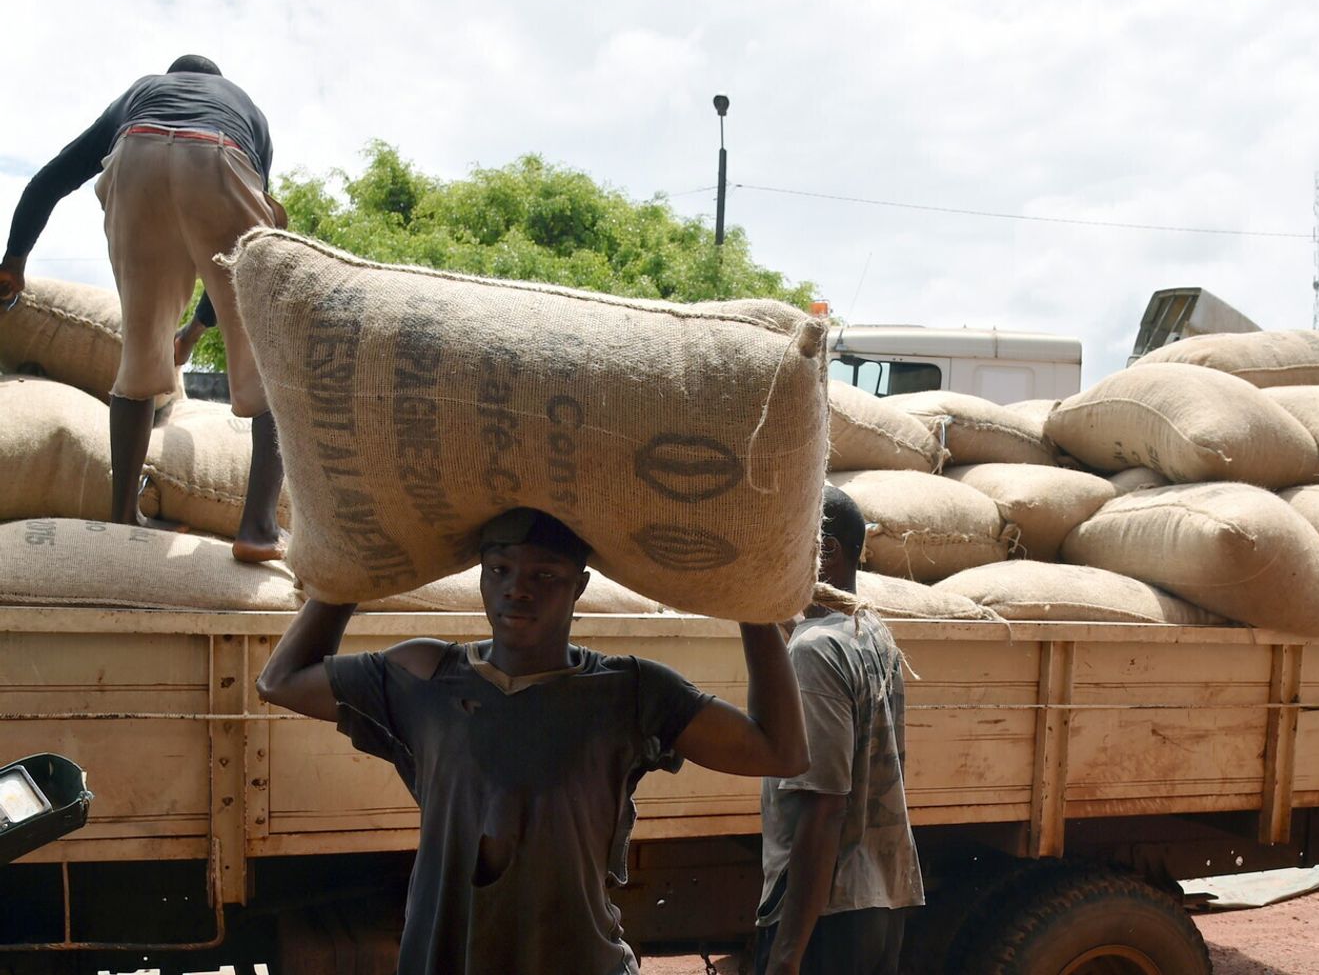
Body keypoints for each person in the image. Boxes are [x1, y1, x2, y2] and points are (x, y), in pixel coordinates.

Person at [256, 507, 810, 975]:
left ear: (581, 586)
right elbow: (279, 681)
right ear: (479, 576)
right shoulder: (423, 675)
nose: (516, 589)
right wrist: (346, 575)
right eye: (498, 569)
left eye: (545, 576)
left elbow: (779, 752)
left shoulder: (629, 692)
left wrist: (754, 610)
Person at [0, 54, 286, 561]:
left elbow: (50, 179)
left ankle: (120, 516)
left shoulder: (140, 93)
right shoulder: (246, 109)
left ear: (174, 76)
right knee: (267, 369)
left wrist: (13, 260)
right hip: (220, 157)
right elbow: (243, 254)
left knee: (137, 362)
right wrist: (198, 331)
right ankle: (258, 528)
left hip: (134, 159)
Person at [754, 486, 924, 975]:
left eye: (785, 541)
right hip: (875, 899)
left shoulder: (815, 652)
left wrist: (788, 954)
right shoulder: (870, 630)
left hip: (824, 915)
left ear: (825, 551)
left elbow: (825, 807)